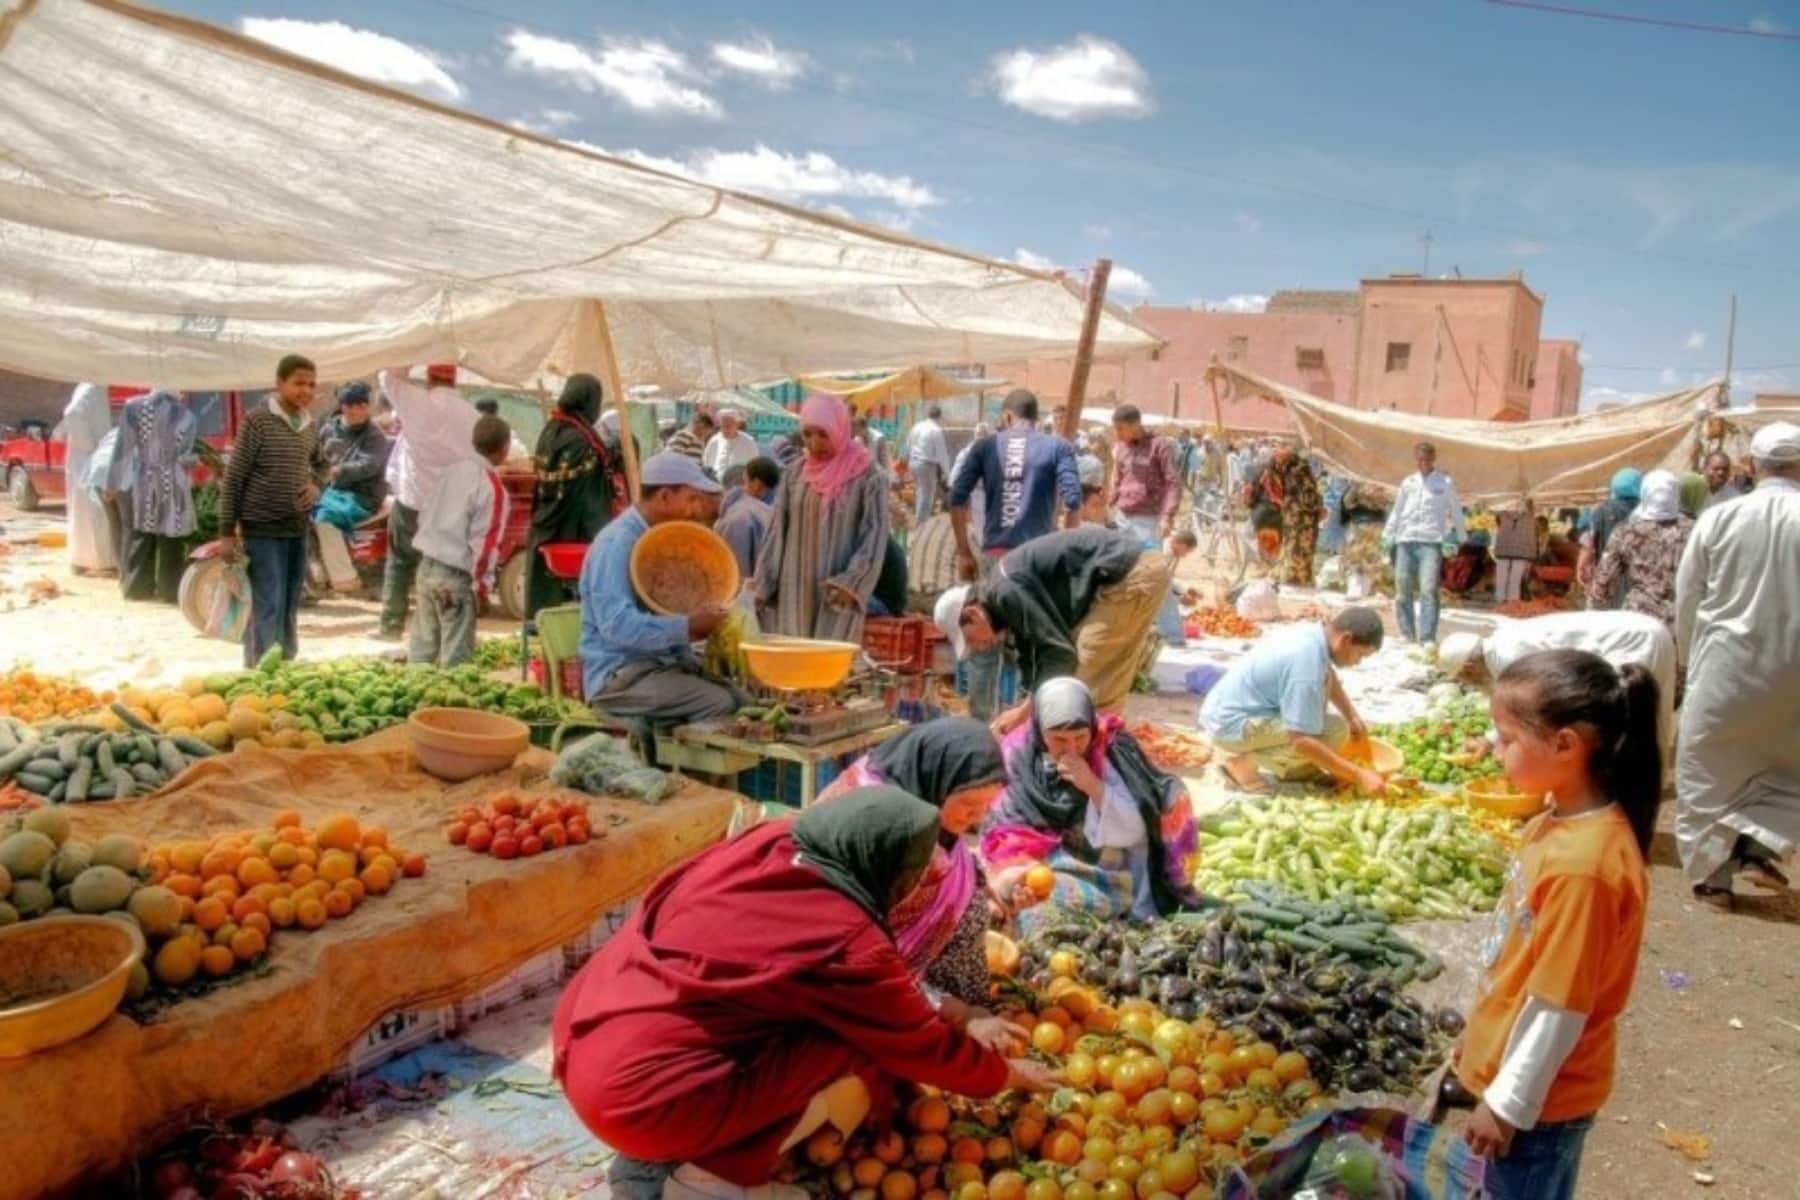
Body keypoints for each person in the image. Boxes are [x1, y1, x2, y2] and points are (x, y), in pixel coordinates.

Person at [554, 788, 1052, 1200]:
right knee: (849, 1041)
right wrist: (1006, 1074)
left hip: (588, 1033)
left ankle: (705, 1145)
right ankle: (710, 1182)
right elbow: (917, 1042)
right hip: (639, 1102)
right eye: (915, 876)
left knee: (806, 1024)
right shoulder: (848, 939)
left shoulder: (772, 842)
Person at [1456, 650, 1659, 1200]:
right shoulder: (1558, 820)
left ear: (1565, 745)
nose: (1494, 751)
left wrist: (1505, 1104)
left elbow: (1559, 1004)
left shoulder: (1585, 866)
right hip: (1525, 1091)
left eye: (1505, 738)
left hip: (1538, 1110)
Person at [1674, 422, 1800, 913]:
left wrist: (1690, 658)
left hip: (1725, 667)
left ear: (1751, 465)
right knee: (1786, 771)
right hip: (1793, 674)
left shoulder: (1718, 518)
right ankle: (1759, 850)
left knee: (1708, 772)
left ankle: (1713, 881)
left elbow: (1688, 599)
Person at [808, 719, 1011, 1005]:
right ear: (937, 778)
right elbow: (858, 944)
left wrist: (989, 886)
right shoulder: (878, 823)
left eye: (986, 806)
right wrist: (949, 1009)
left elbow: (956, 861)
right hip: (852, 978)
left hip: (918, 981)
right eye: (969, 804)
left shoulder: (926, 801)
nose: (977, 818)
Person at [981, 678, 1202, 934]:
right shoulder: (1017, 754)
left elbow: (1136, 830)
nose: (1072, 748)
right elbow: (1004, 829)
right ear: (1040, 731)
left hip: (1103, 863)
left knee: (1061, 915)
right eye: (1059, 739)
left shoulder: (1111, 749)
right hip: (1036, 863)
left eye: (1080, 736)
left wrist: (1093, 787)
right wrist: (1018, 872)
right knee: (1020, 909)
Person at [935, 526, 1172, 733]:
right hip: (1122, 575)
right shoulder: (1002, 595)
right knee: (1081, 681)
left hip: (1130, 574)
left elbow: (1058, 653)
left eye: (971, 640)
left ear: (973, 614)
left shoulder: (1005, 591)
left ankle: (1098, 757)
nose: (979, 647)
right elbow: (1034, 655)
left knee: (1087, 679)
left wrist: (1024, 712)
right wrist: (1025, 705)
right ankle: (1094, 748)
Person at [579, 453, 743, 725]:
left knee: (742, 698)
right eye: (691, 499)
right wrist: (687, 627)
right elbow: (616, 625)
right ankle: (681, 767)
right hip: (618, 676)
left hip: (658, 665)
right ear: (665, 497)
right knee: (718, 703)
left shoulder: (661, 538)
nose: (696, 510)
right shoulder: (617, 543)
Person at [949, 391, 1082, 720]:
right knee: (1035, 647)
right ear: (1036, 418)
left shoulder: (985, 446)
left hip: (996, 560)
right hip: (1039, 562)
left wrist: (964, 551)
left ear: (1007, 417)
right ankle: (1029, 727)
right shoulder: (1057, 446)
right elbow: (1074, 500)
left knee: (983, 647)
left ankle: (983, 728)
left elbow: (956, 497)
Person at [1437, 611, 1677, 766]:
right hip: (1646, 628)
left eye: (1464, 678)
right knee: (1650, 721)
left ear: (1469, 666)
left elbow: (1532, 708)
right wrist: (1491, 740)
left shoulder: (1507, 658)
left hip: (1635, 641)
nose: (1469, 684)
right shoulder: (1501, 645)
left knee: (1634, 719)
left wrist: (1501, 745)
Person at [1198, 607, 1385, 793]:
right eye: (1360, 654)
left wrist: (1351, 715)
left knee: (1326, 722)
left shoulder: (1315, 636)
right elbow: (1301, 740)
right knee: (1331, 731)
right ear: (1346, 639)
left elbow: (1330, 675)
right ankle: (1243, 765)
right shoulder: (1307, 664)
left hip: (1229, 709)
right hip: (1229, 724)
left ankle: (1293, 767)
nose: (1358, 662)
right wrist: (1359, 775)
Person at [218, 356, 328, 666]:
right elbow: (234, 478)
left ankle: (285, 666)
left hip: (297, 527)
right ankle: (259, 672)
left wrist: (316, 485)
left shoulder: (309, 424)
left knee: (290, 604)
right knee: (267, 603)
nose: (305, 390)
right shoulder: (258, 421)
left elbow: (322, 464)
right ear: (279, 383)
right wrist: (227, 533)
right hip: (262, 529)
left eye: (310, 384)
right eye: (298, 383)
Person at [754, 394, 889, 643]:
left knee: (829, 668)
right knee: (793, 670)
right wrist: (763, 585)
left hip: (836, 596)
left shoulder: (869, 476)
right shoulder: (795, 474)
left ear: (839, 429)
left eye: (823, 434)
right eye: (808, 434)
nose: (815, 443)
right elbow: (776, 532)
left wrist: (851, 583)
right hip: (793, 591)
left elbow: (874, 535)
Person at [376, 363, 478, 640]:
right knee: (440, 569)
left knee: (400, 562)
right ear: (455, 379)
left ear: (429, 378)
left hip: (413, 500)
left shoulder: (416, 402)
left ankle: (391, 626)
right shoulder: (472, 415)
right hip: (450, 507)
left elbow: (387, 375)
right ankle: (433, 631)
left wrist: (411, 356)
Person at [409, 416, 513, 668]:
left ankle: (417, 704)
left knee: (422, 653)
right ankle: (448, 706)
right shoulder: (492, 488)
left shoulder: (450, 471)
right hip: (455, 576)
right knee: (456, 664)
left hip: (426, 567)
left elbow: (425, 512)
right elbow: (486, 546)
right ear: (505, 449)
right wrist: (481, 589)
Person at [526, 374, 618, 618]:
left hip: (545, 524)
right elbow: (590, 495)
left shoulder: (552, 428)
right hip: (571, 530)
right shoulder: (580, 439)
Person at [106, 388, 196, 605]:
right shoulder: (187, 416)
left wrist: (113, 483)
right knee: (170, 536)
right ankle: (169, 590)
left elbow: (123, 449)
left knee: (142, 533)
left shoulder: (133, 408)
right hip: (173, 479)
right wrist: (195, 460)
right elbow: (185, 457)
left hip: (145, 477)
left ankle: (136, 588)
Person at [1110, 406, 1185, 645]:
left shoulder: (1159, 445)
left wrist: (1167, 516)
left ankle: (1172, 636)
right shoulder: (1120, 448)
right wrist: (1108, 508)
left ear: (1135, 424)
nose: (1118, 433)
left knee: (1154, 575)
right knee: (1121, 575)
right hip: (1122, 517)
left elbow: (1173, 483)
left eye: (1121, 428)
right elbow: (1117, 479)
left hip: (1148, 519)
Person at [1382, 441, 1466, 642]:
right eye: (1420, 459)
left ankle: (1427, 637)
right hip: (1406, 539)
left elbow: (1455, 510)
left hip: (1431, 542)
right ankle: (1406, 633)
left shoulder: (1444, 483)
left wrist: (1457, 537)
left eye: (1427, 459)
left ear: (1433, 459)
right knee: (1403, 589)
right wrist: (1387, 535)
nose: (1423, 462)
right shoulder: (1408, 482)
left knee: (1428, 589)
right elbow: (1398, 510)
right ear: (1415, 459)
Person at [314, 382, 392, 594]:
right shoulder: (328, 428)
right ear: (341, 406)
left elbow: (370, 465)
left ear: (368, 407)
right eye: (350, 405)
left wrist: (339, 470)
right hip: (330, 491)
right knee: (297, 509)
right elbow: (313, 454)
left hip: (362, 495)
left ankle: (345, 580)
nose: (356, 411)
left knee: (325, 518)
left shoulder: (375, 436)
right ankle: (315, 574)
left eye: (361, 405)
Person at [1591, 469, 1691, 632]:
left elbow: (1603, 583)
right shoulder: (1695, 530)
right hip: (1683, 621)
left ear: (1645, 494)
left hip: (1639, 622)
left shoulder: (1626, 532)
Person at [1249, 441, 1325, 589]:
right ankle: (1294, 578)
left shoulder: (1279, 468)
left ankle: (1287, 575)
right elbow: (1308, 495)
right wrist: (1317, 507)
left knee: (1291, 545)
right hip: (1300, 515)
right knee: (1297, 547)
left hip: (1290, 512)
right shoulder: (1298, 469)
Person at [61, 383, 115, 575]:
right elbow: (72, 414)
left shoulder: (96, 389)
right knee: (95, 511)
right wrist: (92, 447)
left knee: (91, 512)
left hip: (90, 458)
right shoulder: (91, 388)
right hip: (88, 459)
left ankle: (86, 560)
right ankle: (97, 561)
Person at [1575, 468, 1639, 608]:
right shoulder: (1644, 511)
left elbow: (1588, 543)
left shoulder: (1601, 510)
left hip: (1606, 574)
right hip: (1635, 579)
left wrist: (1581, 566)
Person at [715, 456, 780, 579]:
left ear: (756, 484)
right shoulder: (778, 509)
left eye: (744, 480)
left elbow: (736, 567)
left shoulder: (740, 515)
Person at [905, 404, 952, 526]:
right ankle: (921, 526)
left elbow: (908, 445)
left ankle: (919, 521)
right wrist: (948, 473)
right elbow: (942, 454)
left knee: (921, 493)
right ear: (939, 417)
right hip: (926, 465)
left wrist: (910, 460)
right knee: (927, 497)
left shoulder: (917, 426)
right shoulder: (935, 430)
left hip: (914, 462)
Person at [1491, 497, 1537, 605]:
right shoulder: (1529, 513)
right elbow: (1530, 503)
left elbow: (1497, 519)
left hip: (1503, 547)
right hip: (1521, 549)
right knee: (1516, 577)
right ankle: (1513, 602)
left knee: (1501, 575)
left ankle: (1500, 600)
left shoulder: (1502, 512)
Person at [703, 408, 760, 480]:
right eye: (723, 426)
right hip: (717, 483)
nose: (725, 429)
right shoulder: (714, 440)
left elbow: (755, 465)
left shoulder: (749, 442)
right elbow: (707, 463)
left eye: (728, 426)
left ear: (737, 425)